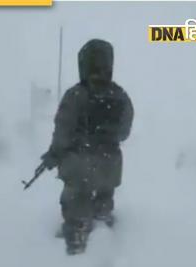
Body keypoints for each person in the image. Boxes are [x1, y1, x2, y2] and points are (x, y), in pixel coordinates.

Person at [41, 39, 134, 255]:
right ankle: (104, 241)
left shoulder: (75, 95)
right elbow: (124, 132)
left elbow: (63, 131)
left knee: (76, 207)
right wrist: (106, 137)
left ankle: (77, 243)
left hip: (79, 165)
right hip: (110, 163)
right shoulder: (120, 96)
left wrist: (54, 154)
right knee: (103, 204)